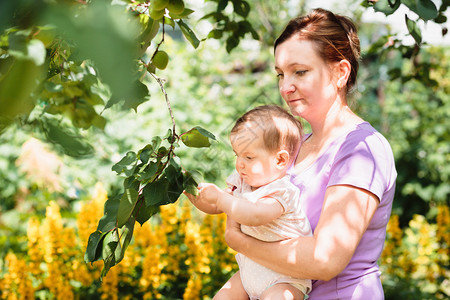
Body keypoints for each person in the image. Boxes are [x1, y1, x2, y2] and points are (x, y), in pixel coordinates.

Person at [187, 7, 397, 300]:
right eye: (281, 74)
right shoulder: (292, 147)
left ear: (340, 72)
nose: (286, 87)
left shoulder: (362, 150)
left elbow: (324, 260)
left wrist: (237, 239)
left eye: (300, 71)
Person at [188, 105, 312, 300]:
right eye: (237, 155)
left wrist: (221, 197)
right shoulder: (242, 181)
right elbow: (216, 206)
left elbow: (254, 215)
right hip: (250, 271)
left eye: (248, 157)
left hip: (285, 278)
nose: (239, 164)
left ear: (280, 160)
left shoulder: (282, 192)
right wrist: (193, 192)